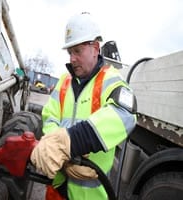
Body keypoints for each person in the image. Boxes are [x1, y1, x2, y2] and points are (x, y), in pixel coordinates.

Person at [31, 12, 137, 200]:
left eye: (77, 51)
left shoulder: (110, 79)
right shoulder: (64, 81)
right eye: (70, 52)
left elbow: (124, 115)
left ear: (95, 48)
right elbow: (50, 116)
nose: (72, 59)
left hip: (90, 194)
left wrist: (71, 141)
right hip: (57, 187)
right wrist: (57, 147)